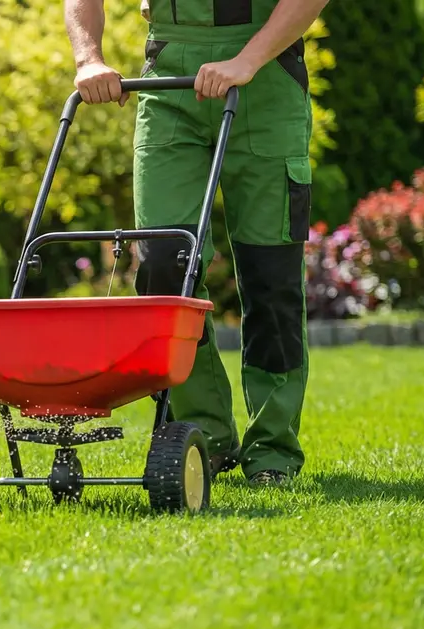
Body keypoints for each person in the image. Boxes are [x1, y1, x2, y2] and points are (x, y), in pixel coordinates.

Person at [64, 0, 330, 486]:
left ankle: (272, 447)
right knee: (165, 266)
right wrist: (89, 59)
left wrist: (247, 59)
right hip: (170, 75)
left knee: (271, 277)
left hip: (266, 72)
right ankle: (203, 432)